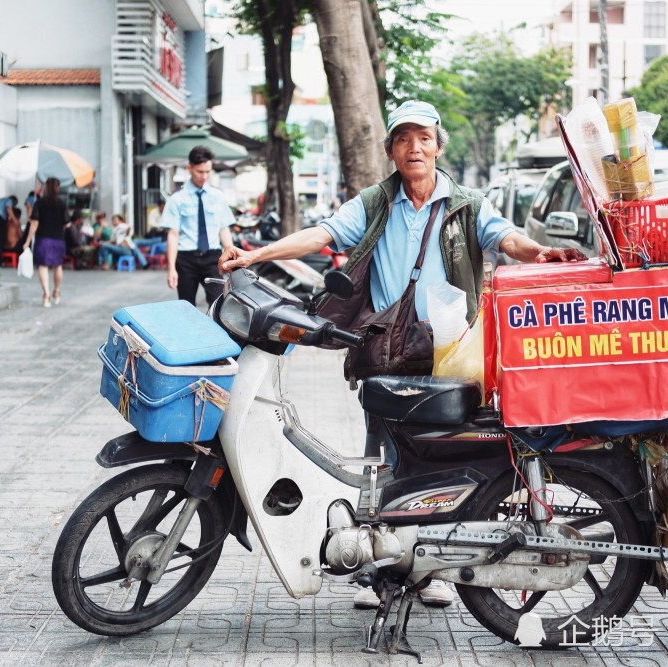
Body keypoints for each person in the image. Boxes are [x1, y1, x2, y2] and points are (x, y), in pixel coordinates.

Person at [218, 100, 585, 609]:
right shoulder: (375, 203)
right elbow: (322, 234)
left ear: (438, 146)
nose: (415, 148)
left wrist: (539, 253)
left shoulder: (467, 205)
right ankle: (381, 570)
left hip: (449, 350)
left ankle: (432, 567)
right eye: (404, 139)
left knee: (436, 458)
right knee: (381, 457)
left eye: (424, 138)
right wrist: (256, 254)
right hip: (387, 348)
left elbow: (507, 239)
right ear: (391, 149)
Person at [161, 146, 236, 306]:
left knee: (220, 304)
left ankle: (214, 332)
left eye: (208, 172)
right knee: (186, 307)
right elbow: (173, 235)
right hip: (186, 259)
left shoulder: (218, 196)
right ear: (189, 168)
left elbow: (224, 228)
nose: (204, 176)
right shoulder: (177, 199)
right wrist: (171, 268)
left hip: (212, 258)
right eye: (200, 172)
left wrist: (230, 252)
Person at [23, 177, 68, 307]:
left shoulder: (39, 203)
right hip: (58, 240)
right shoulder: (62, 204)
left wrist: (27, 241)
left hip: (43, 240)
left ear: (45, 188)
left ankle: (46, 295)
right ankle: (57, 291)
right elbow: (67, 223)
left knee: (43, 266)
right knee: (57, 266)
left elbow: (34, 223)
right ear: (57, 188)